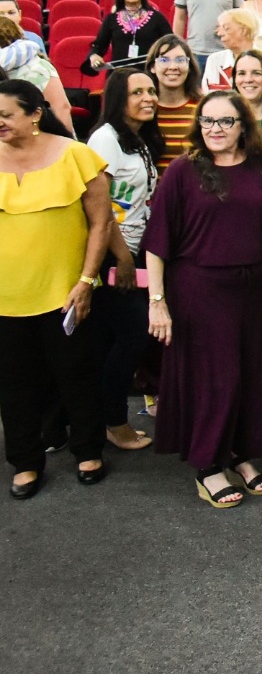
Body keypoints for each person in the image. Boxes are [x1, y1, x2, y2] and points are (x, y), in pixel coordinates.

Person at [143, 91, 262, 508]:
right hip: (200, 290)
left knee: (251, 375)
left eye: (226, 121)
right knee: (214, 380)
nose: (215, 129)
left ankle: (239, 453)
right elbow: (157, 243)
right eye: (208, 121)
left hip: (255, 289)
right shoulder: (183, 171)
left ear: (244, 126)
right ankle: (208, 465)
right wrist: (157, 301)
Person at [0, 79, 112, 499]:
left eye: (6, 115)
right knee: (14, 383)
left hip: (65, 292)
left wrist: (86, 281)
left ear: (35, 114)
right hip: (6, 297)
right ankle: (25, 462)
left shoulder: (75, 155)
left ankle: (88, 450)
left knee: (77, 374)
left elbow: (101, 223)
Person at [86, 70, 162, 451]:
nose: (149, 98)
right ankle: (114, 422)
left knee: (122, 337)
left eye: (151, 91)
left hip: (135, 250)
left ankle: (105, 418)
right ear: (119, 98)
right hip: (114, 256)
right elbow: (101, 211)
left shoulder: (137, 138)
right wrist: (123, 256)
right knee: (131, 335)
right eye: (138, 92)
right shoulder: (105, 139)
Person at [0, 17, 72, 134]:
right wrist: (65, 140)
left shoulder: (37, 67)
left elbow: (61, 108)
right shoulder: (39, 66)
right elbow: (61, 107)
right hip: (40, 136)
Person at [86, 0, 172, 71]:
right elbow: (99, 46)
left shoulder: (157, 17)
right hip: (119, 73)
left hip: (149, 72)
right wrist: (94, 56)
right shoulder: (111, 19)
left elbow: (170, 42)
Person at [144, 35, 202, 169]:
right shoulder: (143, 106)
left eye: (180, 60)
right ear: (153, 67)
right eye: (164, 60)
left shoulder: (204, 107)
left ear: (189, 66)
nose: (173, 66)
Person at [200, 8, 260, 93]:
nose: (219, 33)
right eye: (219, 28)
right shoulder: (214, 60)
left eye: (226, 28)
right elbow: (208, 94)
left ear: (244, 30)